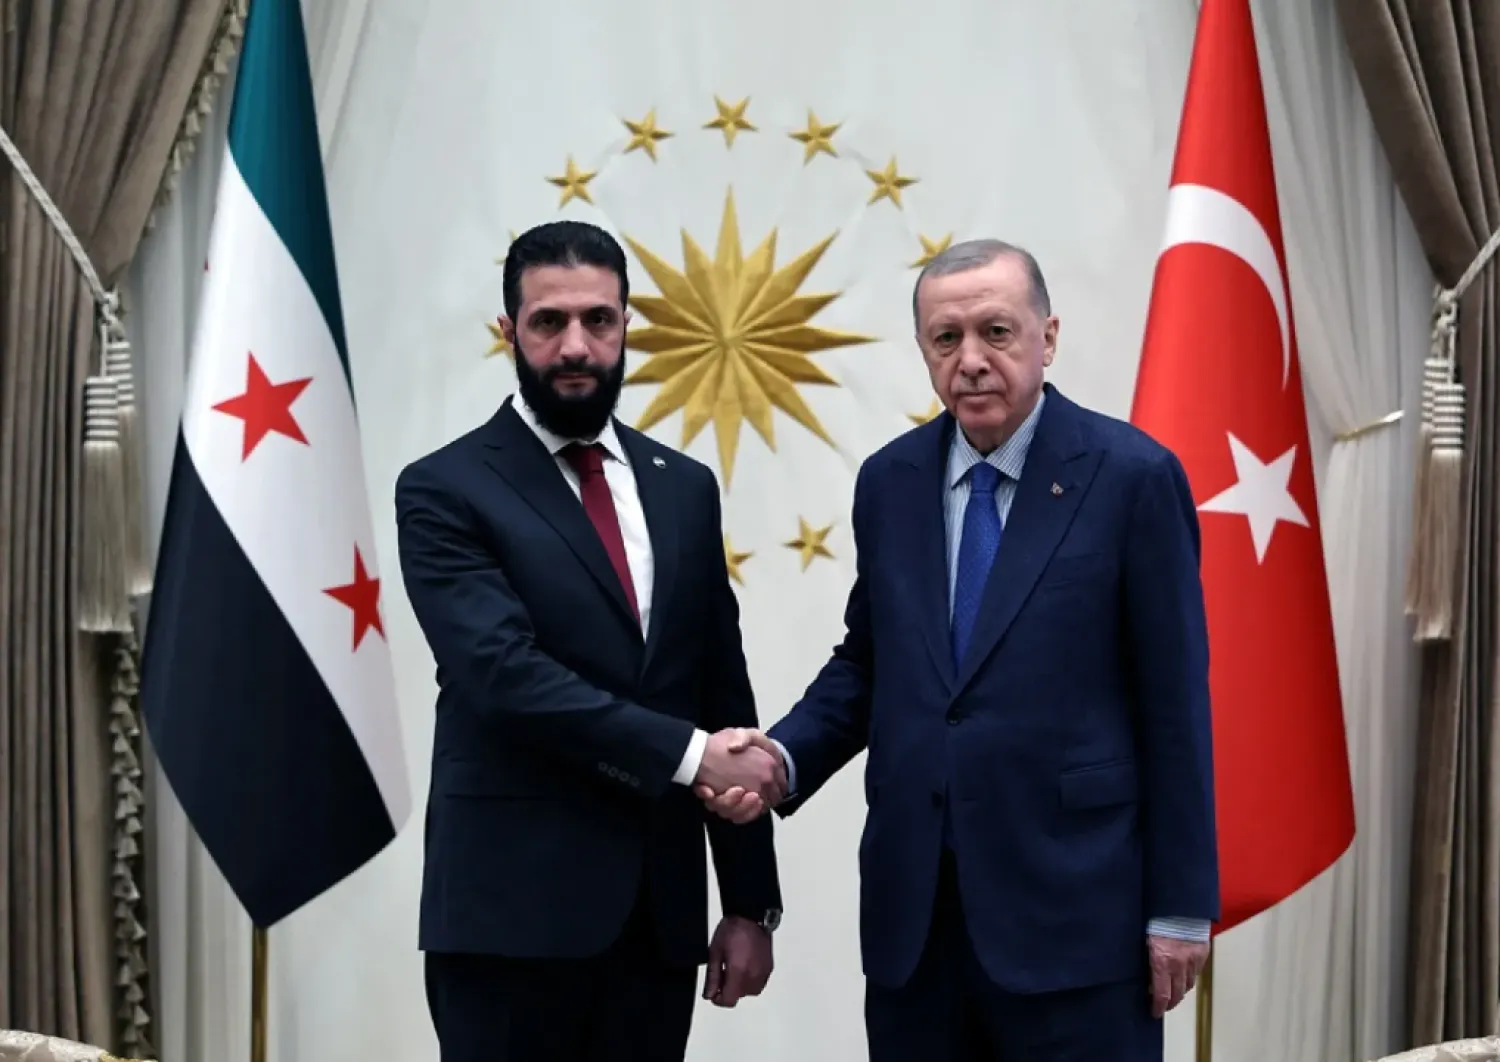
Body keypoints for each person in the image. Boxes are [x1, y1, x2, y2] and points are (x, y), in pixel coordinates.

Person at [701, 239, 1218, 1060]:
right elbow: (870, 662)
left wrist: (1182, 909)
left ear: (1047, 338)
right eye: (947, 339)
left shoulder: (1132, 477)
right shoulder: (889, 482)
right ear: (923, 352)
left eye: (997, 333)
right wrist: (782, 759)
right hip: (919, 934)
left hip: (1079, 930)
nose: (971, 360)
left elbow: (1176, 705)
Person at [396, 220, 786, 1062]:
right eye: (549, 322)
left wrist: (750, 902)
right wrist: (691, 757)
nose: (576, 346)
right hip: (509, 925)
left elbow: (722, 690)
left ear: (625, 326)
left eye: (598, 321)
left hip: (657, 921)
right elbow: (505, 676)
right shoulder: (443, 489)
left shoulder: (683, 488)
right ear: (509, 331)